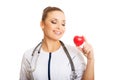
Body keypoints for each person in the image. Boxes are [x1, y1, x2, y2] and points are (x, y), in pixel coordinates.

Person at [19, 6, 94, 80]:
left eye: (63, 24)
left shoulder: (74, 54)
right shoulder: (29, 56)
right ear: (42, 24)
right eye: (54, 22)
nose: (59, 27)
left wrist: (90, 60)